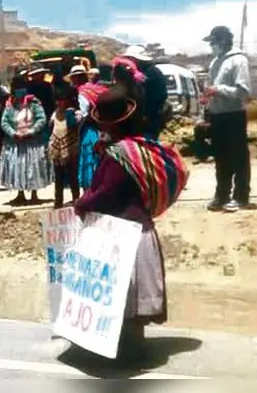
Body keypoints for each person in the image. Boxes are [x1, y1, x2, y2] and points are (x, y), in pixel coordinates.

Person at [73, 85, 188, 363]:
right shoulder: (138, 147)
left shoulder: (117, 156)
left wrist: (82, 203)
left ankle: (125, 353)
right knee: (132, 298)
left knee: (122, 295)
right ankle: (132, 348)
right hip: (139, 229)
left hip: (122, 234)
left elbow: (106, 193)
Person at [202, 25, 255, 212]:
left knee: (238, 157)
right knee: (221, 158)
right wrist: (207, 102)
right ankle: (222, 195)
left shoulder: (238, 60)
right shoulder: (215, 61)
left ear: (224, 40)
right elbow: (211, 87)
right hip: (217, 115)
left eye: (214, 42)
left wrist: (218, 90)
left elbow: (243, 91)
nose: (212, 46)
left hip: (233, 115)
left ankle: (241, 197)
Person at [0, 75, 52, 207]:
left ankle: (34, 194)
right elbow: (4, 122)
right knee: (17, 168)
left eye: (22, 89)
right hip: (16, 142)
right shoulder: (10, 105)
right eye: (18, 89)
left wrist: (31, 131)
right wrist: (13, 134)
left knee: (32, 167)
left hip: (32, 142)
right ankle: (20, 194)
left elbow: (41, 119)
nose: (21, 92)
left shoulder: (34, 104)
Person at [120, 45, 169, 138]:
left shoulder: (151, 73)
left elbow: (156, 97)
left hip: (148, 118)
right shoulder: (144, 71)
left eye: (130, 58)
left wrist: (146, 115)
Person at [48, 83, 81, 208]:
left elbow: (72, 124)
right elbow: (51, 127)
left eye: (63, 100)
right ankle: (58, 202)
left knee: (73, 177)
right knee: (59, 179)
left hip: (71, 149)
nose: (60, 103)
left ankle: (76, 200)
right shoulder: (55, 114)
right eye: (58, 101)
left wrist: (69, 112)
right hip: (57, 150)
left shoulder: (76, 113)